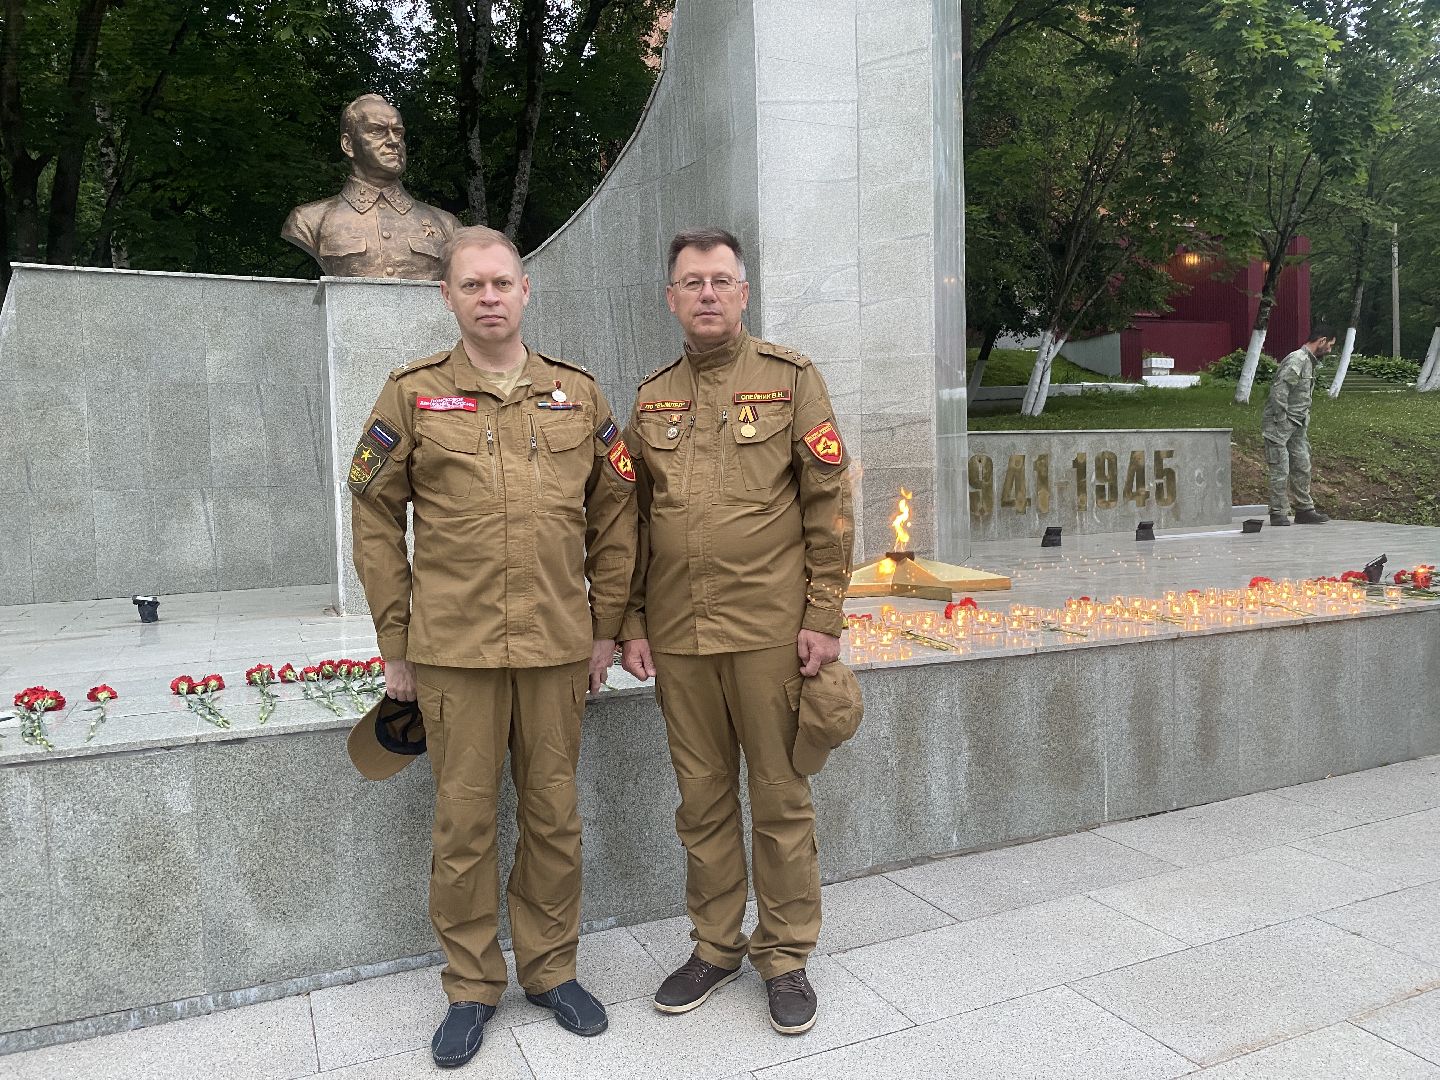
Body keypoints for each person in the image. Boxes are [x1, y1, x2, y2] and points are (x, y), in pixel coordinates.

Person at [348, 225, 637, 1068]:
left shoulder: (578, 396)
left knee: (554, 817)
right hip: (454, 654)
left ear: (524, 291)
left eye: (501, 283)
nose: (488, 297)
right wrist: (394, 643)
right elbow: (372, 513)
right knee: (463, 825)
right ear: (447, 296)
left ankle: (551, 971)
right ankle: (471, 987)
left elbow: (617, 512)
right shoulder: (412, 396)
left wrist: (605, 625)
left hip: (555, 647)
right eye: (471, 285)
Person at [619, 227, 854, 1035]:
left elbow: (830, 503)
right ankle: (714, 946)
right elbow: (632, 521)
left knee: (782, 799)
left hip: (769, 634)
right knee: (702, 801)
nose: (708, 293)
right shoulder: (651, 397)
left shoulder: (790, 380)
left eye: (722, 280)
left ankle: (785, 955)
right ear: (672, 298)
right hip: (680, 638)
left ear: (744, 294)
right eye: (693, 282)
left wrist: (824, 616)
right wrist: (632, 621)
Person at [282, 94, 460, 279]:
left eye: (398, 132)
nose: (394, 141)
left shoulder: (447, 225)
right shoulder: (309, 220)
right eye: (377, 131)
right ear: (348, 144)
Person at [1263, 326, 1335, 526]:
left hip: (1297, 424)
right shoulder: (1297, 360)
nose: (1329, 350)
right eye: (1329, 345)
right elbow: (1279, 391)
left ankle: (1304, 509)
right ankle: (1278, 512)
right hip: (1280, 423)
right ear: (1321, 341)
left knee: (1302, 464)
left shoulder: (1310, 363)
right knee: (1280, 468)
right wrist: (1281, 418)